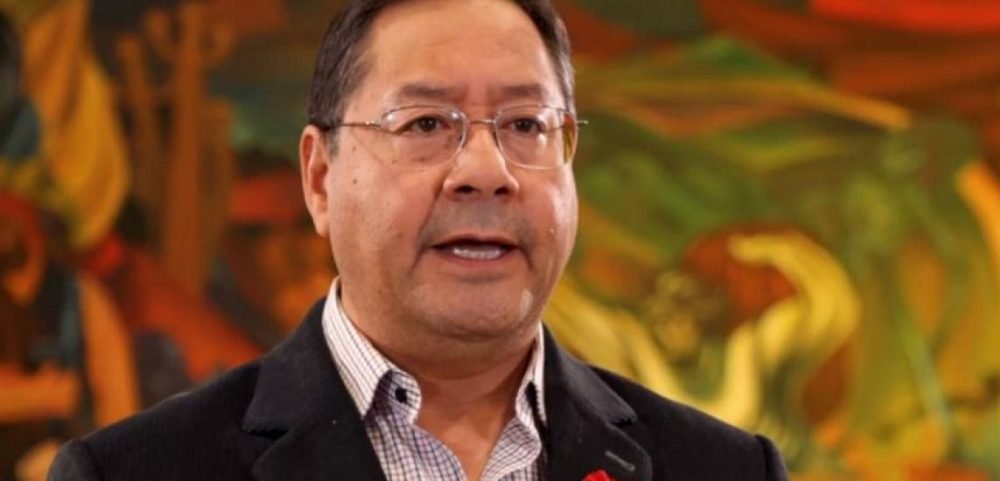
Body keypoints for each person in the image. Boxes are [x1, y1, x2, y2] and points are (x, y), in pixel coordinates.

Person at [47, 0, 789, 479]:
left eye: (526, 125)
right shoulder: (133, 472)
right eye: (427, 124)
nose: (486, 172)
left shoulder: (722, 468)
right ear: (319, 178)